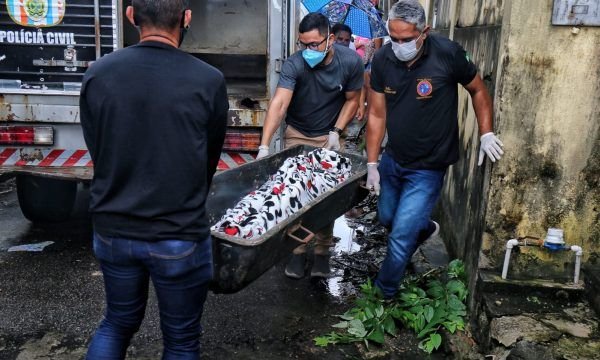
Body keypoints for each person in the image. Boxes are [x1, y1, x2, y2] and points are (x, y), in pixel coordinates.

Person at [80, 0, 228, 358]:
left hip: (114, 228)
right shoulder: (208, 80)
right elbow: (209, 158)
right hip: (178, 234)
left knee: (116, 323)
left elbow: (96, 145)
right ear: (187, 19)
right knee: (180, 340)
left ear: (131, 17)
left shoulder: (99, 73)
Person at [366, 0, 504, 299]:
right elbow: (377, 114)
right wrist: (372, 164)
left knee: (401, 235)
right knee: (388, 218)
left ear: (424, 32)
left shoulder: (448, 53)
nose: (399, 45)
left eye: (406, 39)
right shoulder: (383, 60)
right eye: (393, 37)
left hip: (428, 166)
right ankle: (425, 227)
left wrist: (486, 132)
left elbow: (478, 89)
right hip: (394, 158)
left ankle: (382, 295)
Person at [256, 12, 364, 279]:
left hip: (331, 135)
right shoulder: (295, 64)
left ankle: (322, 253)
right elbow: (279, 103)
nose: (308, 50)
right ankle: (297, 252)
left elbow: (352, 100)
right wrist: (264, 146)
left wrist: (336, 132)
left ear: (329, 39)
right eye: (303, 44)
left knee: (327, 199)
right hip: (298, 134)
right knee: (296, 194)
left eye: (314, 44)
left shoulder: (350, 61)